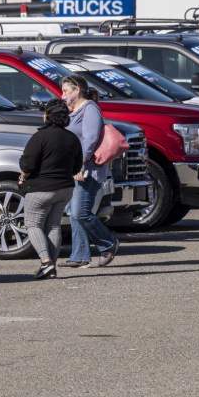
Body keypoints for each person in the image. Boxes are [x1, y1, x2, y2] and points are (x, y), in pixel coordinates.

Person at [57, 74, 120, 269]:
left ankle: (108, 243)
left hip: (88, 169)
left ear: (77, 91)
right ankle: (80, 255)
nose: (63, 95)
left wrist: (80, 164)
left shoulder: (90, 109)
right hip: (76, 168)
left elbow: (90, 139)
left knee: (80, 212)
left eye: (66, 91)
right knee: (75, 212)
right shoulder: (74, 110)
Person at [18, 98, 83, 280]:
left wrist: (23, 175)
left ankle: (46, 262)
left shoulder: (40, 136)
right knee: (54, 225)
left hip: (41, 189)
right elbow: (77, 167)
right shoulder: (72, 138)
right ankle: (50, 268)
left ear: (48, 115)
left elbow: (27, 164)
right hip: (65, 189)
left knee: (33, 224)